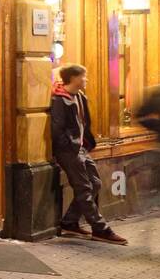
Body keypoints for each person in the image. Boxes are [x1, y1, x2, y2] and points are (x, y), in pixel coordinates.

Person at [50, 64, 126, 244]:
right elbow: (57, 131)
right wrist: (71, 147)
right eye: (83, 76)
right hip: (69, 151)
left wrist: (84, 144)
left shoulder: (79, 96)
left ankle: (69, 222)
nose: (86, 79)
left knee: (95, 183)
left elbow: (84, 124)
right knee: (84, 188)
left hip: (80, 148)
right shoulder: (59, 100)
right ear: (73, 78)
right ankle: (100, 229)